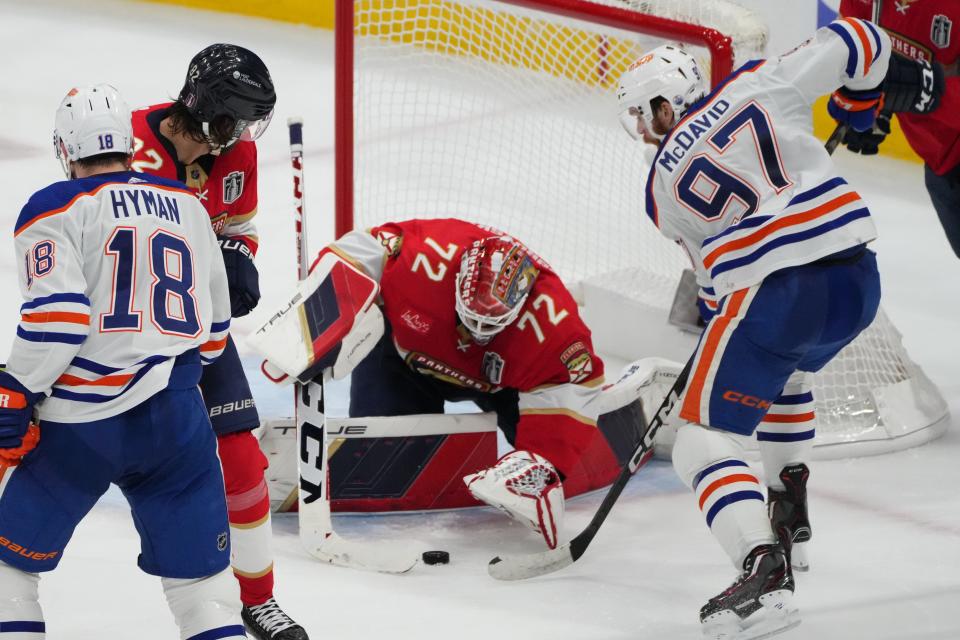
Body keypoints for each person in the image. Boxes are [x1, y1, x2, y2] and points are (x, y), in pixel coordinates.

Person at [617, 18, 890, 639]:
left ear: (665, 103)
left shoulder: (661, 188)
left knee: (699, 437)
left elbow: (714, 291)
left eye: (642, 113)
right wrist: (862, 102)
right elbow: (862, 37)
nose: (641, 130)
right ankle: (787, 514)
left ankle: (761, 570)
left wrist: (723, 323)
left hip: (776, 293)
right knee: (783, 371)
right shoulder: (761, 80)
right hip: (857, 281)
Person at [0, 84, 241, 638]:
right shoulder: (189, 205)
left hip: (80, 431)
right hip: (179, 426)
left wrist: (17, 389)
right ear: (129, 145)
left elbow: (58, 319)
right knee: (205, 592)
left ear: (66, 149)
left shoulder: (54, 205)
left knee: (8, 573)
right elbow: (213, 336)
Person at [130, 44, 306, 640]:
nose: (242, 135)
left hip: (199, 335)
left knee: (244, 463)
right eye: (236, 118)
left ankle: (257, 599)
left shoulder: (238, 153)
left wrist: (236, 256)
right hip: (116, 339)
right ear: (204, 107)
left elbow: (238, 227)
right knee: (49, 456)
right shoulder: (124, 146)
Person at [315, 218, 622, 549]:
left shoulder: (554, 325)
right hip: (406, 359)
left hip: (503, 385)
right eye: (471, 318)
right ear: (457, 278)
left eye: (490, 324)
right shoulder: (421, 258)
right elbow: (352, 254)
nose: (475, 332)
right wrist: (310, 319)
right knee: (383, 465)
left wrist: (544, 458)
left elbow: (579, 379)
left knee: (560, 471)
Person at [835, 0, 954, 257]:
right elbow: (852, 53)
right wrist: (877, 105)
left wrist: (922, 87)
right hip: (939, 163)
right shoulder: (868, 3)